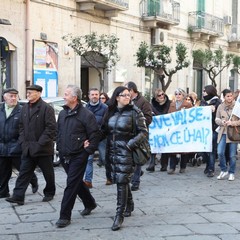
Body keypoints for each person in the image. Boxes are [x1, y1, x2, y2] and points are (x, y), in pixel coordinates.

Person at [101, 86, 148, 231]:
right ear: (117, 97)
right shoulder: (110, 111)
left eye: (129, 95)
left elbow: (143, 132)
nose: (127, 97)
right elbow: (104, 131)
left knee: (121, 181)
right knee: (120, 179)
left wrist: (130, 145)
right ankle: (130, 203)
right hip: (112, 151)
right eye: (124, 95)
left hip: (127, 151)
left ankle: (118, 215)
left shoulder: (135, 112)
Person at [55, 85, 100, 228]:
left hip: (79, 155)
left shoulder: (87, 115)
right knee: (76, 182)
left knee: (71, 184)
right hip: (64, 155)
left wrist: (87, 151)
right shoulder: (62, 113)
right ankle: (90, 203)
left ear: (74, 98)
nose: (64, 96)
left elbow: (95, 135)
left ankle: (64, 216)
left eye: (66, 94)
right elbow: (59, 132)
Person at [6, 85, 56, 205]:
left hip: (43, 149)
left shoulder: (47, 108)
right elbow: (21, 127)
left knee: (48, 173)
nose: (27, 95)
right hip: (27, 147)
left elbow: (51, 129)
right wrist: (22, 141)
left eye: (30, 93)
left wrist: (39, 144)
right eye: (27, 93)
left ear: (38, 93)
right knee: (24, 172)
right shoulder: (24, 108)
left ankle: (49, 192)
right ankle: (18, 196)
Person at [0, 88, 38, 198]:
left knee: (23, 169)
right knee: (3, 171)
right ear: (4, 97)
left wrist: (22, 143)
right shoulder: (0, 109)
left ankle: (33, 180)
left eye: (15, 96)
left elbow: (28, 129)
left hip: (17, 146)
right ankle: (3, 191)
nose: (13, 98)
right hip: (2, 146)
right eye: (11, 96)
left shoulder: (22, 111)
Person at [125, 81, 152, 191]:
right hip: (128, 134)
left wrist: (137, 123)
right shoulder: (126, 101)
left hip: (139, 134)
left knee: (137, 156)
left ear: (132, 90)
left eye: (127, 91)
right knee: (130, 158)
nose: (125, 94)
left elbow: (149, 118)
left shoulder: (143, 102)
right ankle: (138, 172)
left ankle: (135, 182)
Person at [84, 88, 109, 188]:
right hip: (89, 138)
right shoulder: (85, 108)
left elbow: (106, 123)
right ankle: (88, 181)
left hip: (102, 138)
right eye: (92, 94)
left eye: (96, 94)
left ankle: (109, 177)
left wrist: (101, 134)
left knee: (104, 158)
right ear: (89, 96)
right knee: (89, 159)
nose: (94, 96)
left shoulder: (105, 107)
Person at [215, 89, 240, 181]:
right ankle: (223, 169)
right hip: (223, 132)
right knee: (220, 152)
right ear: (224, 97)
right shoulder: (220, 107)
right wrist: (222, 122)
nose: (230, 98)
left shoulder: (237, 106)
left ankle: (232, 172)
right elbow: (216, 119)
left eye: (231, 96)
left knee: (232, 155)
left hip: (233, 134)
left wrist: (232, 123)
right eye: (227, 96)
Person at [168, 88, 192, 174]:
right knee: (173, 149)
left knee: (183, 149)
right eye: (176, 94)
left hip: (184, 129)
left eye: (179, 94)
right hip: (174, 129)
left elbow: (191, 116)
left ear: (183, 95)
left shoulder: (188, 104)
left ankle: (183, 167)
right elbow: (168, 115)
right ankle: (172, 167)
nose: (178, 95)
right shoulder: (172, 104)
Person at [146, 88, 171, 172]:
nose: (161, 96)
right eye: (159, 95)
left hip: (167, 127)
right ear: (156, 97)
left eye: (162, 94)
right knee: (154, 144)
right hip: (156, 128)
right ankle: (152, 163)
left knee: (165, 145)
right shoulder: (152, 105)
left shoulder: (169, 103)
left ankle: (164, 165)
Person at [200, 85, 222, 177]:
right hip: (204, 129)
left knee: (212, 150)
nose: (203, 92)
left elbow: (219, 116)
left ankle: (211, 169)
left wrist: (214, 110)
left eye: (205, 91)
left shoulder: (218, 102)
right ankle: (208, 164)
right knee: (203, 150)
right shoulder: (203, 102)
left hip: (213, 129)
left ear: (209, 92)